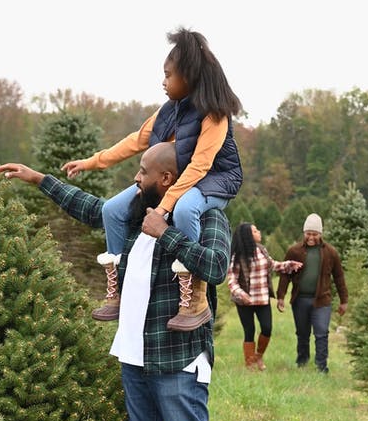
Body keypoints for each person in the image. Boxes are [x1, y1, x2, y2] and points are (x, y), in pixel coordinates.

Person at [0, 141, 231, 421]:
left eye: (142, 171)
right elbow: (93, 209)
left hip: (178, 359)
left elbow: (217, 266)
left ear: (166, 178)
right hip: (135, 357)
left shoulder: (203, 215)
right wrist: (39, 178)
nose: (135, 178)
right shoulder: (136, 213)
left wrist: (168, 233)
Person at [61, 27, 243, 331]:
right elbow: (136, 140)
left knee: (185, 209)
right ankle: (117, 290)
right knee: (111, 210)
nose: (163, 81)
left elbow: (200, 167)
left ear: (189, 77)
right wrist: (92, 162)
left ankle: (194, 296)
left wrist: (163, 208)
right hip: (181, 179)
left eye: (169, 75)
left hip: (215, 179)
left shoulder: (214, 114)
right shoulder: (167, 112)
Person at [276, 213, 348, 374]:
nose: (311, 237)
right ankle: (302, 361)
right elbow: (285, 275)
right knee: (302, 333)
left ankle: (321, 366)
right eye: (308, 233)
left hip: (322, 301)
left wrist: (344, 300)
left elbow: (339, 277)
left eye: (314, 234)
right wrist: (281, 296)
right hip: (300, 300)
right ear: (304, 233)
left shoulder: (330, 252)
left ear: (320, 234)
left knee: (322, 332)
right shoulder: (294, 251)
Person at [227, 223, 302, 371]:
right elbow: (231, 280)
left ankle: (258, 356)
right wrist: (242, 294)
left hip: (262, 298)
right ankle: (250, 364)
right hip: (245, 302)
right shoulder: (238, 256)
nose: (259, 232)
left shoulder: (261, 250)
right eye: (255, 231)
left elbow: (272, 265)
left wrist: (288, 265)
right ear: (248, 235)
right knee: (249, 331)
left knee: (267, 328)